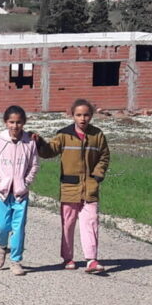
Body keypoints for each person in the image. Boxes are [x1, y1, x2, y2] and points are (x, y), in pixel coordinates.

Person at [45, 99, 111, 273]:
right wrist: (38, 143)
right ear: (72, 115)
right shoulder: (64, 135)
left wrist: (97, 176)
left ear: (91, 115)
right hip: (69, 188)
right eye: (79, 115)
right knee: (68, 223)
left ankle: (91, 260)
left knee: (90, 222)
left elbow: (104, 157)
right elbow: (49, 151)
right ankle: (68, 258)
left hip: (90, 187)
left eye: (86, 115)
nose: (83, 118)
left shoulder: (97, 135)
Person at [0, 105, 42, 276]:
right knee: (2, 226)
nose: (15, 126)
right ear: (5, 122)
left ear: (23, 123)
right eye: (11, 122)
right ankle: (2, 247)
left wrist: (26, 182)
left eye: (18, 122)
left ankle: (16, 261)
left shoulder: (29, 142)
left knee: (18, 228)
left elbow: (34, 165)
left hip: (20, 194)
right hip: (2, 192)